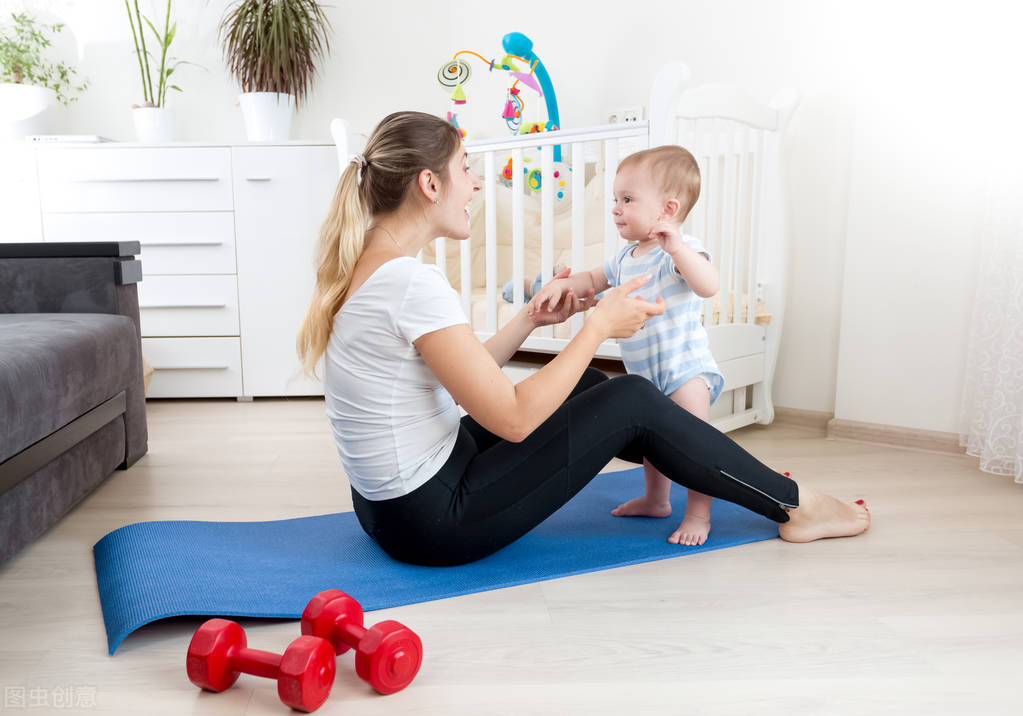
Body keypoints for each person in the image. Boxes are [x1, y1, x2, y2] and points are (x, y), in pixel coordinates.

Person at [297, 110, 869, 568]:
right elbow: (514, 421)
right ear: (429, 184)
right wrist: (596, 326)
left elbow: (460, 369)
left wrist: (529, 323)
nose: (474, 183)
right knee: (632, 399)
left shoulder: (370, 265)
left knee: (593, 388)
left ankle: (710, 469)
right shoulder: (410, 282)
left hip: (386, 508)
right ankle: (793, 504)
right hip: (432, 520)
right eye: (465, 168)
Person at [526, 145, 721, 546]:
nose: (616, 208)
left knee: (695, 444)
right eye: (616, 199)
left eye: (627, 200)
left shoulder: (677, 252)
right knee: (654, 444)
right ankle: (656, 499)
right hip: (645, 374)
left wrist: (679, 247)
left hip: (685, 371)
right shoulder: (626, 256)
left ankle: (699, 513)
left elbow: (708, 285)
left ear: (668, 209)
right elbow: (593, 280)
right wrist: (564, 284)